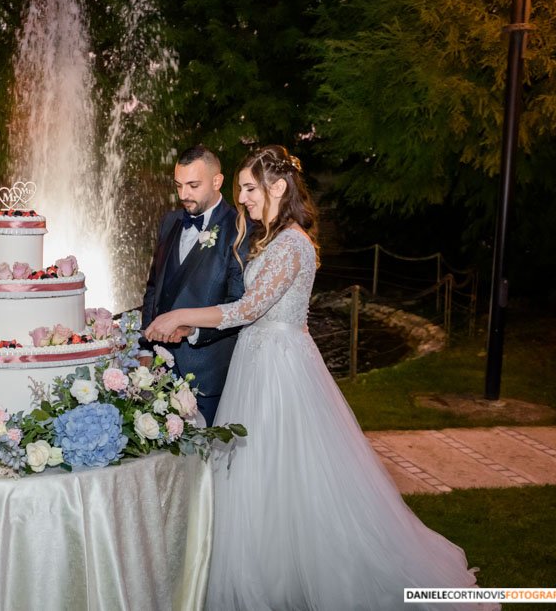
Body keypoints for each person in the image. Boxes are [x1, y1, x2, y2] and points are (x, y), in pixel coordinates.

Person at [145, 145, 488, 610]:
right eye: (242, 188)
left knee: (287, 475)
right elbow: (247, 313)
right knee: (253, 478)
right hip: (256, 361)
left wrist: (183, 312)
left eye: (250, 189)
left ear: (278, 187)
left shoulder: (291, 243)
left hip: (281, 371)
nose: (243, 198)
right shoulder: (271, 237)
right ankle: (270, 573)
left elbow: (247, 308)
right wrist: (189, 325)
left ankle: (303, 578)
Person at [139, 145, 248, 426]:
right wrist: (145, 350)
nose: (184, 195)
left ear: (217, 181)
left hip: (208, 377)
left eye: (193, 185)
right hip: (160, 375)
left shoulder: (241, 228)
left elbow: (240, 306)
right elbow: (153, 287)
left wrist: (194, 329)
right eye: (179, 185)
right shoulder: (170, 221)